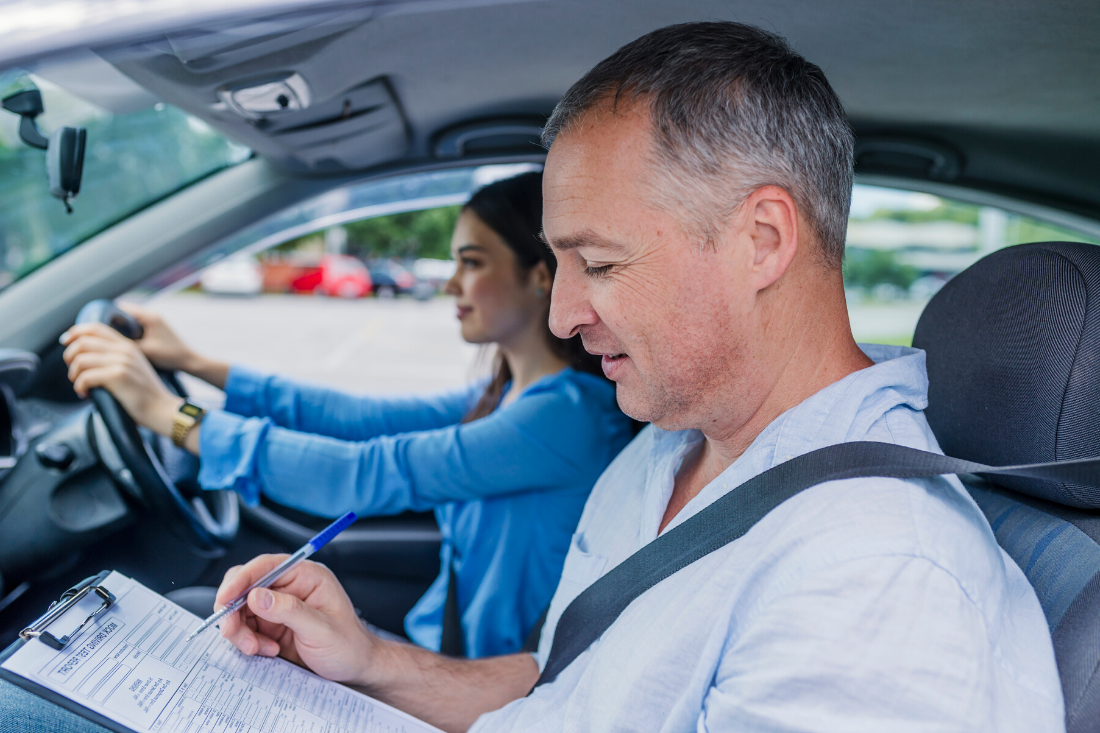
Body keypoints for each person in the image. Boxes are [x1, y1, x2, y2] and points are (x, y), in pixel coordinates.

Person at [0, 21, 1062, 733]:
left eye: (599, 265)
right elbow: (564, 685)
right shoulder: (667, 450)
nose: (562, 313)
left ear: (762, 238)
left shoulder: (876, 577)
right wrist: (368, 660)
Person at [59, 171, 635, 659]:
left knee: (188, 623)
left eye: (473, 262)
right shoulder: (509, 395)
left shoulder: (565, 418)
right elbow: (360, 419)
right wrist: (194, 363)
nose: (451, 282)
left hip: (482, 684)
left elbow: (365, 472)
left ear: (540, 277)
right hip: (442, 643)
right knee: (198, 621)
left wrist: (169, 415)